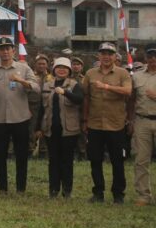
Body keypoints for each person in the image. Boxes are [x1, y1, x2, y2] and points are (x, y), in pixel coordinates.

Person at [82, 42, 132, 203]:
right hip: (95, 123)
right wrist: (85, 119)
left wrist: (106, 86)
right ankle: (98, 192)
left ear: (115, 57)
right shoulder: (90, 73)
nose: (106, 56)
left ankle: (118, 194)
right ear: (98, 55)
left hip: (115, 124)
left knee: (117, 161)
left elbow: (127, 91)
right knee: (95, 160)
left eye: (109, 54)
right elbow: (86, 98)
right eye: (103, 53)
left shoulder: (122, 73)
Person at [0, 37, 39, 193]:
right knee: (0, 155)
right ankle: (2, 188)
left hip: (20, 118)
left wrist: (21, 81)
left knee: (21, 155)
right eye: (2, 49)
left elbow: (36, 87)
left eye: (8, 48)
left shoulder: (23, 68)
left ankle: (20, 188)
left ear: (13, 51)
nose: (5, 52)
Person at [34, 57, 83, 198]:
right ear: (54, 69)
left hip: (69, 129)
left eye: (65, 68)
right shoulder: (47, 85)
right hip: (51, 129)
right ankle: (53, 190)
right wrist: (38, 127)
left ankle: (67, 190)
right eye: (59, 67)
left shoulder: (74, 85)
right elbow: (42, 108)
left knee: (67, 161)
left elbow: (79, 100)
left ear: (69, 70)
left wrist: (65, 92)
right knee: (53, 161)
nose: (61, 70)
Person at [130, 43, 156, 206]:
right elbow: (131, 101)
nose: (153, 59)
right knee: (141, 160)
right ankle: (144, 195)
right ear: (146, 58)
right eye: (150, 56)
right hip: (142, 121)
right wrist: (130, 120)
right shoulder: (137, 76)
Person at [29, 54, 52, 158]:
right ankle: (29, 150)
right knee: (31, 129)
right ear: (35, 64)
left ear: (47, 65)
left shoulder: (52, 77)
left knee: (46, 129)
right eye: (39, 63)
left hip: (47, 108)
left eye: (44, 64)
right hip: (32, 108)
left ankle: (43, 151)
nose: (41, 66)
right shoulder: (30, 76)